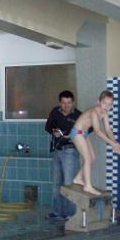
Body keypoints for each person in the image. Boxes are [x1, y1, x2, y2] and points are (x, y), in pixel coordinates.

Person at [70, 90, 120, 195]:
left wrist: (115, 143)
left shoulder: (105, 113)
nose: (106, 106)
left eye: (109, 104)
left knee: (92, 158)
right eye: (104, 103)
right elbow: (98, 131)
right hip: (77, 133)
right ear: (98, 102)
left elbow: (108, 130)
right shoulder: (94, 112)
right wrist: (112, 144)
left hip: (84, 134)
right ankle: (88, 186)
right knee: (87, 158)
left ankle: (78, 178)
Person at [45, 91, 82, 220]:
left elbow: (88, 129)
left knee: (69, 183)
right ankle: (58, 212)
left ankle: (71, 214)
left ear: (73, 102)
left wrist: (73, 135)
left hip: (70, 151)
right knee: (56, 183)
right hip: (58, 150)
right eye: (63, 103)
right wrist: (54, 131)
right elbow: (48, 126)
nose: (66, 106)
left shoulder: (78, 115)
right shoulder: (56, 112)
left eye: (69, 103)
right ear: (60, 103)